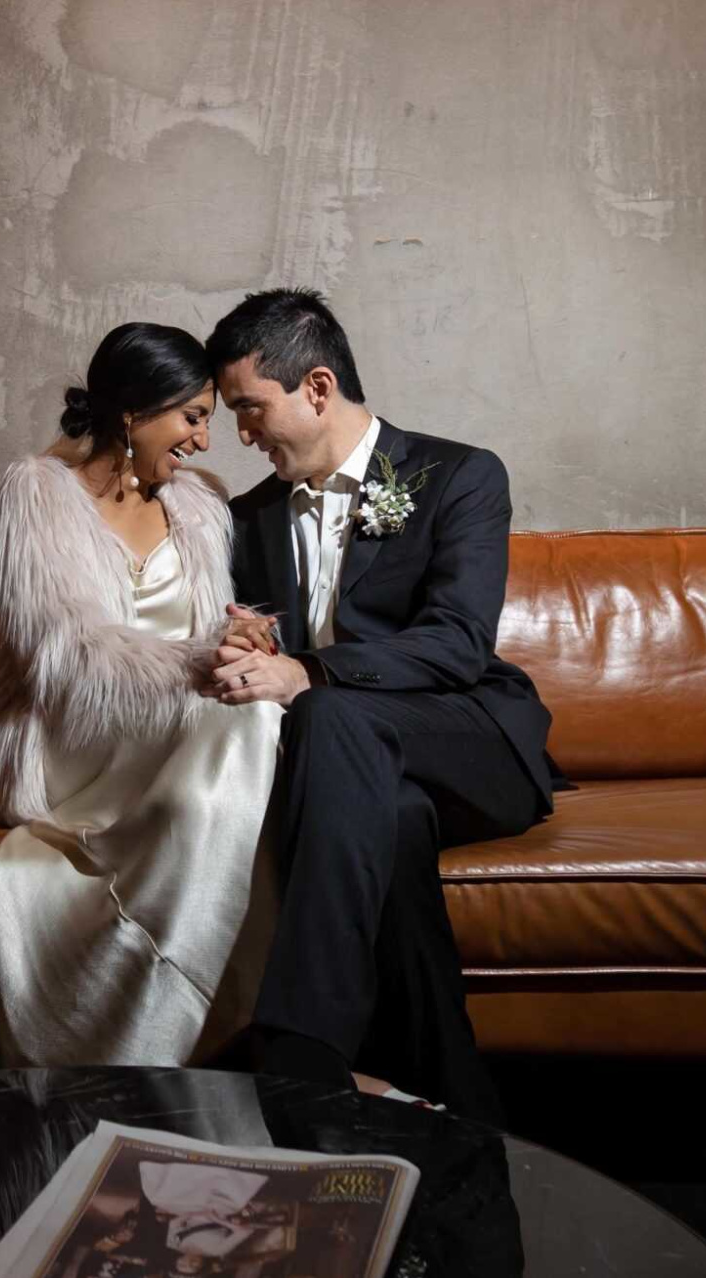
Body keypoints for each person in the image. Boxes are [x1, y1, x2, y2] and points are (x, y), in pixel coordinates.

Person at [202, 288, 560, 1121]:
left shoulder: (461, 475)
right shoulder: (246, 519)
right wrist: (246, 651)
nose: (242, 436)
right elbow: (257, 640)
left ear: (317, 388)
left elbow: (459, 642)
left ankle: (297, 1047)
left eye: (251, 411)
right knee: (389, 817)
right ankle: (455, 1093)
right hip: (352, 772)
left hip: (469, 740)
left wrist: (309, 674)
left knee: (330, 713)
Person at [0, 323, 284, 1067]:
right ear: (133, 412)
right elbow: (64, 654)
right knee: (244, 715)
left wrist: (242, 639)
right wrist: (198, 663)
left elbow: (205, 634)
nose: (201, 441)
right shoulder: (34, 494)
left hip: (161, 727)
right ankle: (176, 1033)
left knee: (254, 705)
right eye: (191, 417)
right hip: (54, 733)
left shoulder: (198, 507)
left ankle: (178, 1010)